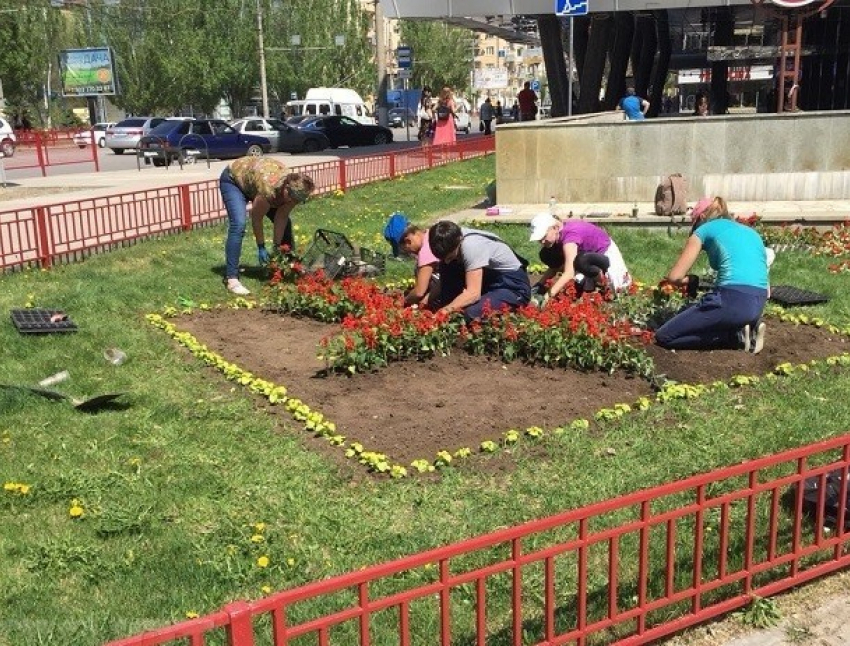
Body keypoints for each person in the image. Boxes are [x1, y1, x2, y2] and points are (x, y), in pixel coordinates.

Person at [654, 197, 769, 353]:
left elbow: (674, 277)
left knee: (664, 336)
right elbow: (766, 285)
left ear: (701, 218)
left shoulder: (704, 230)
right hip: (758, 302)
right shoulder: (751, 233)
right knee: (715, 312)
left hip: (731, 299)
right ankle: (745, 325)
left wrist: (691, 280)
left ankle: (733, 336)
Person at [219, 156, 315, 295]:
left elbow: (281, 217)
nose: (295, 202)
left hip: (255, 181)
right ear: (286, 189)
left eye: (299, 200)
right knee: (238, 224)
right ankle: (232, 278)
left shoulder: (294, 192)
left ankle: (286, 266)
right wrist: (261, 246)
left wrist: (276, 246)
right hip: (234, 180)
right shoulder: (268, 189)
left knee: (286, 224)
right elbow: (257, 218)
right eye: (294, 198)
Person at [428, 221, 531, 320]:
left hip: (512, 286)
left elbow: (473, 294)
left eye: (450, 257)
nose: (447, 261)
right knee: (446, 267)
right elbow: (443, 280)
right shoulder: (452, 238)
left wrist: (444, 311)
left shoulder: (471, 246)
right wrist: (426, 303)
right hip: (490, 281)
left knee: (470, 313)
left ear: (458, 241)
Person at [528, 213, 632, 303]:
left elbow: (569, 273)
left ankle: (601, 283)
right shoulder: (559, 233)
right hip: (589, 256)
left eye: (543, 237)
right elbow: (554, 267)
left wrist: (547, 297)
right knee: (547, 254)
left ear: (555, 228)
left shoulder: (570, 238)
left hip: (606, 255)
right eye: (539, 239)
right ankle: (587, 281)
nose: (541, 242)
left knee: (582, 262)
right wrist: (539, 285)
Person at [397, 224, 440, 308]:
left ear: (408, 241)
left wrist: (403, 302)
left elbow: (419, 292)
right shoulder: (429, 234)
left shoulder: (426, 251)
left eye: (405, 250)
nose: (409, 253)